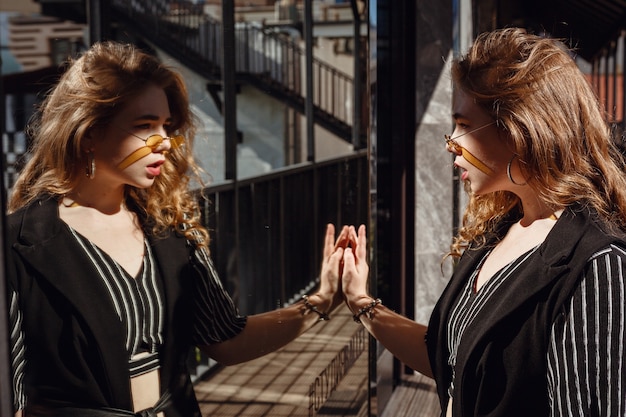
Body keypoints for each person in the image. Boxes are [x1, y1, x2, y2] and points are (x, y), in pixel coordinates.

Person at [6, 41, 350, 417]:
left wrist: (322, 299)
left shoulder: (170, 226)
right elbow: (12, 394)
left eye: (167, 126)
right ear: (88, 132)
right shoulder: (19, 244)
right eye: (145, 126)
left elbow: (226, 339)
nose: (166, 142)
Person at [340, 27, 626, 417]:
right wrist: (361, 301)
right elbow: (451, 359)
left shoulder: (595, 265)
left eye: (462, 124)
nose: (450, 142)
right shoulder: (501, 228)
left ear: (520, 130)